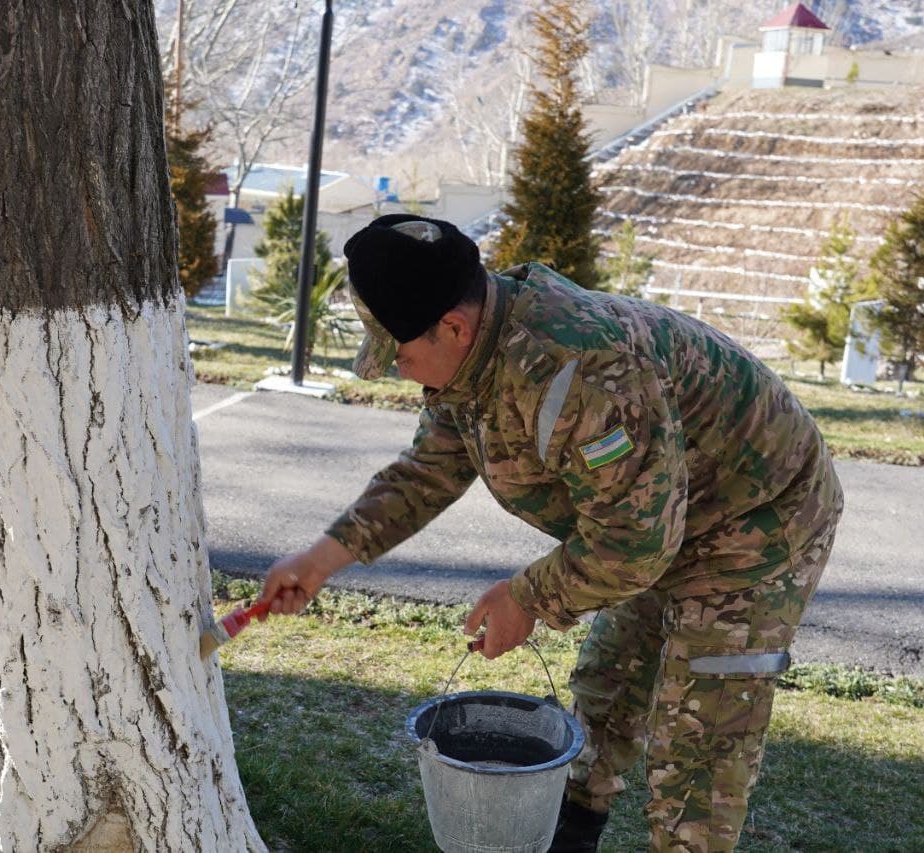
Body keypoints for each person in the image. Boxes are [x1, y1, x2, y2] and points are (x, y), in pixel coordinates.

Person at [256, 214, 843, 852]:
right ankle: (572, 832)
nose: (397, 371)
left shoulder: (578, 372)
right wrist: (321, 559)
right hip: (654, 513)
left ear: (452, 326)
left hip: (754, 521)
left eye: (398, 353)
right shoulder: (472, 357)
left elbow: (636, 546)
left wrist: (526, 598)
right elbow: (426, 472)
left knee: (698, 741)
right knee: (611, 681)